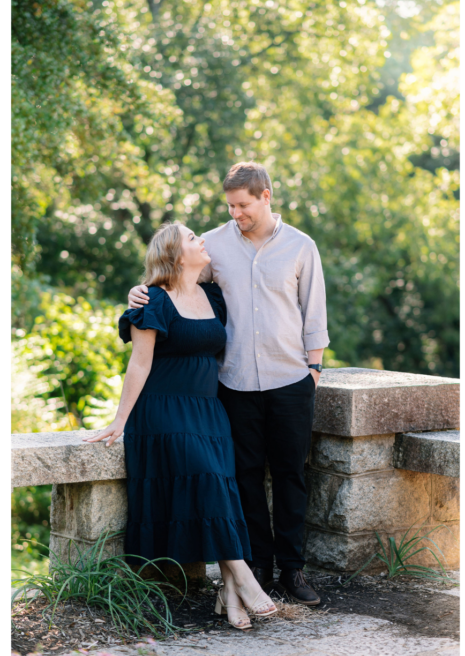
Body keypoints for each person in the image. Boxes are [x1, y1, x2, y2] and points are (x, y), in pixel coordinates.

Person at [127, 162, 328, 605]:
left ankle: (292, 571)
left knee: (292, 474)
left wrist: (314, 371)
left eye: (244, 205)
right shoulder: (214, 245)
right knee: (246, 478)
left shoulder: (300, 246)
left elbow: (314, 313)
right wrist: (138, 294)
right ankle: (255, 567)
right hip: (233, 384)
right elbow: (176, 284)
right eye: (231, 206)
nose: (236, 213)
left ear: (266, 196)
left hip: (290, 378)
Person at [86, 222, 277, 630]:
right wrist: (120, 420)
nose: (201, 241)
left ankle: (229, 596)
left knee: (224, 490)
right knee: (207, 480)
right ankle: (242, 577)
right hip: (163, 411)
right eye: (192, 238)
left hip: (209, 411)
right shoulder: (151, 301)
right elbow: (139, 362)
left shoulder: (212, 296)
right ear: (175, 255)